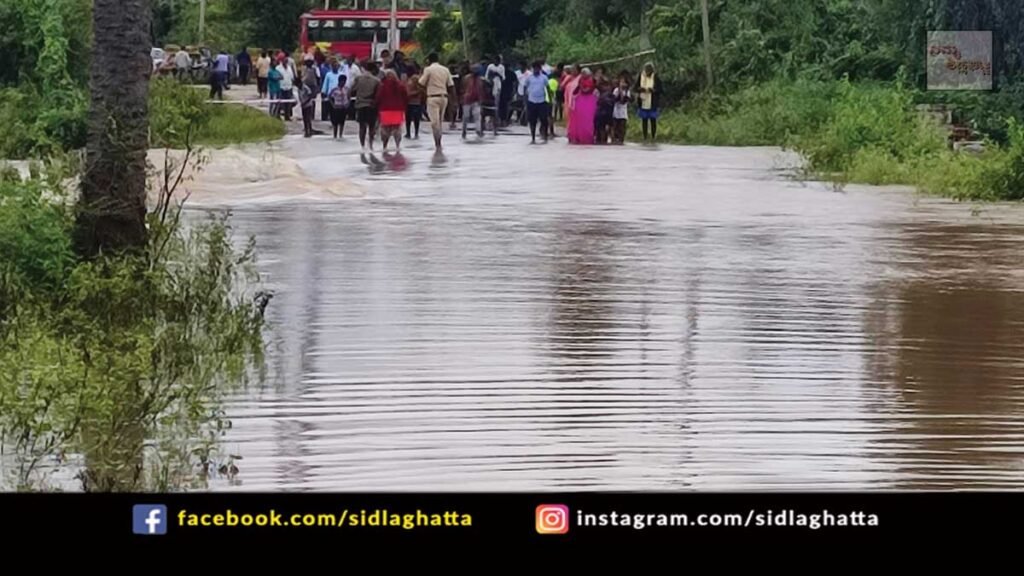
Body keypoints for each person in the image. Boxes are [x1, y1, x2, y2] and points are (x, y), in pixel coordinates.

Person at [419, 53, 455, 151]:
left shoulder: (428, 70)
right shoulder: (445, 69)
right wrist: (453, 100)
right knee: (440, 121)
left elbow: (421, 83)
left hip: (432, 98)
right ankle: (439, 142)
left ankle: (437, 144)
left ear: (429, 60)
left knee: (435, 123)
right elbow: (451, 86)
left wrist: (425, 92)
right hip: (444, 98)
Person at [377, 69, 409, 152]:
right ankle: (397, 146)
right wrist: (404, 107)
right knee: (397, 128)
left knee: (385, 129)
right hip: (397, 110)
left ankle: (385, 146)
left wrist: (377, 107)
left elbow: (378, 97)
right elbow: (405, 97)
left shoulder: (382, 85)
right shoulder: (400, 85)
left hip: (385, 109)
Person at [352, 62, 381, 151]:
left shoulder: (358, 78)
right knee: (371, 126)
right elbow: (378, 95)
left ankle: (362, 145)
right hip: (371, 105)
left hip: (360, 104)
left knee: (362, 126)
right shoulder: (376, 81)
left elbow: (352, 90)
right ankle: (370, 144)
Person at [523, 61, 550, 144]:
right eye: (534, 68)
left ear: (540, 69)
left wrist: (550, 99)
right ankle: (533, 138)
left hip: (542, 101)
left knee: (544, 120)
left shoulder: (544, 78)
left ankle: (545, 136)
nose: (535, 70)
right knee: (532, 121)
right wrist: (525, 100)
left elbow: (548, 88)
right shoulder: (529, 78)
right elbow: (525, 87)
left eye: (537, 68)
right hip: (531, 101)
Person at [568, 68, 597, 145]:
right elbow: (578, 90)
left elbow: (587, 90)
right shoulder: (580, 80)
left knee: (587, 120)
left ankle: (587, 137)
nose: (583, 75)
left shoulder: (591, 80)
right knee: (578, 118)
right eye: (582, 73)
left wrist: (582, 88)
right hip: (581, 100)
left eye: (584, 73)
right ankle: (577, 136)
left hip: (589, 100)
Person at [635, 62, 663, 142]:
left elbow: (660, 89)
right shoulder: (641, 76)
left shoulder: (656, 77)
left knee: (653, 119)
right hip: (643, 101)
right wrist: (641, 89)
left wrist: (653, 90)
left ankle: (653, 136)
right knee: (644, 120)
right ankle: (645, 136)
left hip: (652, 102)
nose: (647, 73)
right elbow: (635, 87)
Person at [461, 66, 485, 139]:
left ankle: (478, 131)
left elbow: (481, 90)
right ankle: (464, 131)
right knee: (466, 117)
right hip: (467, 100)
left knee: (477, 116)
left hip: (476, 100)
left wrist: (481, 100)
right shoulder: (466, 78)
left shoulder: (480, 80)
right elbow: (463, 88)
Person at [300, 58, 319, 138]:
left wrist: (317, 87)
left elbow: (317, 77)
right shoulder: (304, 69)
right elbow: (303, 77)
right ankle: (307, 127)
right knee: (306, 106)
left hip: (312, 86)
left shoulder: (314, 69)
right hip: (305, 86)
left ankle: (312, 115)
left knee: (312, 102)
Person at [486, 55, 507, 127]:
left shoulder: (501, 67)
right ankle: (489, 119)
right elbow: (486, 77)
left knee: (496, 104)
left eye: (498, 61)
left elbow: (503, 78)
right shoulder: (490, 67)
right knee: (489, 103)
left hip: (498, 87)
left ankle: (496, 119)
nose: (497, 62)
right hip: (490, 86)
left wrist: (498, 74)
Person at [595, 76, 616, 144]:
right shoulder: (601, 93)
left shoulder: (610, 94)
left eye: (606, 85)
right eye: (604, 85)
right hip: (602, 113)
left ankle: (607, 140)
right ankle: (603, 140)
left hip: (607, 113)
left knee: (608, 127)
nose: (605, 87)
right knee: (602, 128)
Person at [406, 64, 424, 139]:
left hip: (411, 102)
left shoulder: (412, 79)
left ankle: (409, 133)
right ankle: (416, 133)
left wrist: (410, 94)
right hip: (417, 102)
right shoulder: (418, 78)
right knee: (416, 119)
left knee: (409, 118)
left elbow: (411, 91)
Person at [321, 58, 342, 123]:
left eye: (336, 66)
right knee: (330, 108)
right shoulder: (328, 74)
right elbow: (325, 84)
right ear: (332, 67)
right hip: (331, 95)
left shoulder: (340, 74)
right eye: (334, 66)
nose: (335, 67)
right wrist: (324, 92)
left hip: (339, 95)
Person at [612, 75, 631, 145]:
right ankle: (614, 139)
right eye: (621, 82)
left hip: (623, 111)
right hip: (616, 111)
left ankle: (621, 140)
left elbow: (623, 101)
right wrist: (619, 91)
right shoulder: (616, 90)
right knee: (615, 126)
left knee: (622, 126)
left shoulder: (627, 91)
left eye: (624, 82)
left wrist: (622, 94)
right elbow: (615, 99)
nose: (622, 84)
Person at [276, 55, 296, 121]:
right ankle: (277, 115)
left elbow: (292, 77)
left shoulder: (289, 68)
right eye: (285, 60)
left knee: (288, 103)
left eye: (287, 61)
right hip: (281, 87)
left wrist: (292, 84)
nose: (286, 62)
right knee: (280, 102)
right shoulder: (278, 68)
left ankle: (287, 116)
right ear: (282, 61)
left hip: (289, 87)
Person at [329, 75, 349, 139]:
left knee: (342, 122)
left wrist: (348, 103)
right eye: (343, 81)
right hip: (337, 107)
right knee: (335, 122)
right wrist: (333, 104)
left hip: (343, 107)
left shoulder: (346, 89)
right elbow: (329, 97)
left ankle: (341, 134)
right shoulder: (334, 89)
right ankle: (335, 135)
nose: (344, 83)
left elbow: (349, 96)